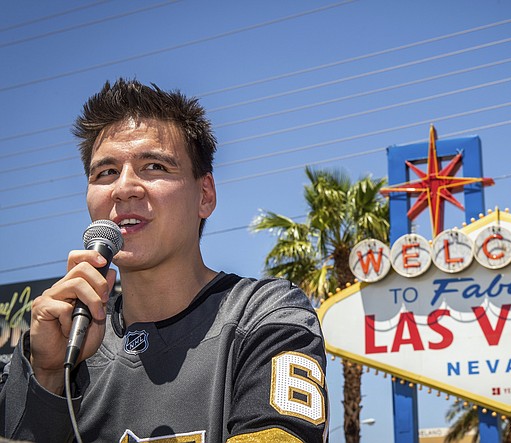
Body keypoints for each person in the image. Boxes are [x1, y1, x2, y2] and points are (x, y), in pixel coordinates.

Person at [0, 79, 329, 442]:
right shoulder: (61, 341)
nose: (124, 188)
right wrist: (45, 373)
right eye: (105, 172)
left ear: (204, 194)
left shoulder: (265, 315)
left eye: (154, 166)